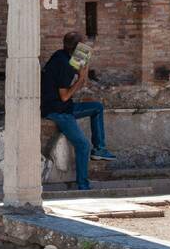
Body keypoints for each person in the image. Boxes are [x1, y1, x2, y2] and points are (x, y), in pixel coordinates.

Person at [41, 31, 117, 191]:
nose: (86, 46)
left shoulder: (62, 55)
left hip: (64, 107)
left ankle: (100, 149)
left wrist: (85, 63)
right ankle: (83, 185)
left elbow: (83, 79)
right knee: (82, 145)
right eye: (82, 45)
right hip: (57, 111)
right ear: (77, 48)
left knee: (97, 108)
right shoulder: (64, 64)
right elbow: (65, 96)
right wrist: (80, 80)